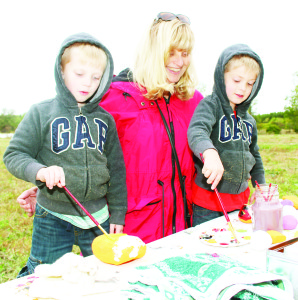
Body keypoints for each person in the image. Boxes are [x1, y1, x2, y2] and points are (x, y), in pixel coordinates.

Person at [17, 13, 204, 243]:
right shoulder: (112, 97)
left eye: (184, 53)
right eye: (171, 52)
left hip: (183, 231)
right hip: (129, 235)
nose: (179, 61)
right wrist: (47, 191)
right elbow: (74, 148)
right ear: (152, 51)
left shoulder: (194, 102)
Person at [3, 32, 127, 277]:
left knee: (103, 277)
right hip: (53, 214)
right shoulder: (41, 112)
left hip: (97, 217)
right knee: (46, 276)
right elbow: (15, 154)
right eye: (79, 74)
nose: (87, 83)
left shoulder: (105, 120)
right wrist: (40, 171)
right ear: (61, 71)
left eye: (96, 77)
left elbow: (116, 169)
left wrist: (119, 212)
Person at [187, 44, 265, 226]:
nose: (243, 88)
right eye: (237, 80)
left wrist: (261, 186)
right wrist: (209, 152)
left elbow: (255, 155)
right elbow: (197, 131)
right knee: (208, 250)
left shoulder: (250, 121)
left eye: (250, 83)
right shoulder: (210, 105)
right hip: (208, 201)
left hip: (240, 202)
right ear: (222, 77)